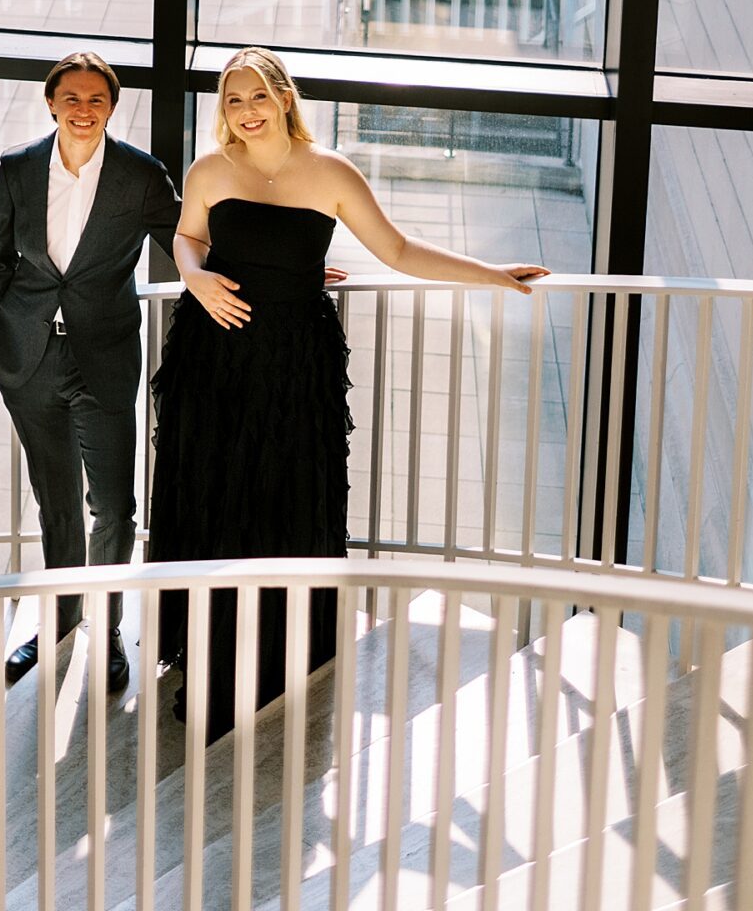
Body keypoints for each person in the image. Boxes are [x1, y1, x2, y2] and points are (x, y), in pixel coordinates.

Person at [147, 50, 546, 738]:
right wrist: (196, 279)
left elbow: (395, 251)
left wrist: (489, 274)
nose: (245, 110)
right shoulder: (210, 168)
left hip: (294, 360)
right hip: (212, 354)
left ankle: (278, 653)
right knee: (213, 491)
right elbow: (186, 237)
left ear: (283, 98)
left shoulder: (330, 172)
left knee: (285, 495)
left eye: (257, 96)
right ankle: (209, 648)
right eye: (233, 99)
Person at [0, 53, 182, 692]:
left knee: (114, 507)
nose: (83, 108)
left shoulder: (140, 177)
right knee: (56, 500)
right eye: (72, 97)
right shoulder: (17, 168)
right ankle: (61, 621)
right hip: (30, 356)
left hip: (103, 357)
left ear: (111, 107)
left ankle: (110, 629)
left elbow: (188, 239)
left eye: (96, 98)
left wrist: (276, 270)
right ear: (51, 102)